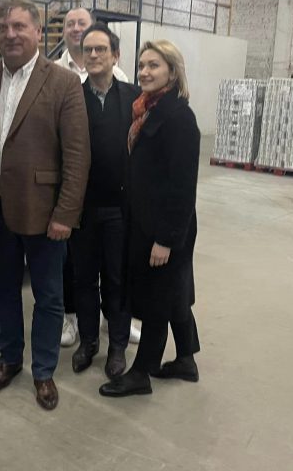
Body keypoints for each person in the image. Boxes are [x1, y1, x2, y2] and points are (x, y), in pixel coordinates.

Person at [0, 0, 90, 411]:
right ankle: (9, 358)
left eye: (19, 26)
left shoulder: (63, 82)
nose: (10, 34)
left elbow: (77, 155)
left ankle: (43, 370)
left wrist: (66, 214)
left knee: (49, 297)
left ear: (39, 32)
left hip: (45, 213)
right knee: (3, 293)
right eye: (3, 28)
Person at [99, 40, 201, 398]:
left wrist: (166, 240)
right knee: (174, 291)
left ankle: (141, 372)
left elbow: (183, 187)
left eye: (154, 65)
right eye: (141, 65)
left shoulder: (179, 118)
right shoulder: (146, 110)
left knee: (158, 298)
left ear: (172, 72)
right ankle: (186, 359)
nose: (144, 72)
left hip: (164, 227)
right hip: (144, 221)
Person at [55, 6, 138, 347]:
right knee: (83, 277)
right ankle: (88, 341)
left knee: (117, 277)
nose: (93, 55)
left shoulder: (133, 97)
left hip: (120, 206)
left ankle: (117, 342)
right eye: (88, 49)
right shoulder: (71, 95)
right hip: (82, 207)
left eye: (101, 49)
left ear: (115, 55)